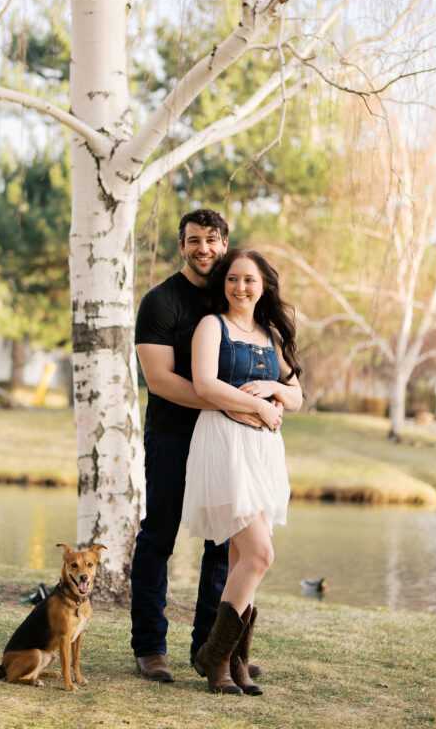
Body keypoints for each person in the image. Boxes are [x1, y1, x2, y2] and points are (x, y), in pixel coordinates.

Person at [131, 208, 264, 683]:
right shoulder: (160, 302)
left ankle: (213, 648)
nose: (203, 248)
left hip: (227, 441)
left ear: (225, 243)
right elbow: (159, 380)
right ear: (181, 245)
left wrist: (273, 398)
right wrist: (222, 405)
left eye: (212, 239)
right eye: (193, 240)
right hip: (172, 434)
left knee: (223, 541)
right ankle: (150, 648)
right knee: (158, 536)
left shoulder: (237, 293)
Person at [181, 247, 304, 696]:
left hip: (262, 451)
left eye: (249, 280)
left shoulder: (271, 334)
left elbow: (297, 397)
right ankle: (214, 654)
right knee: (260, 555)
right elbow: (204, 385)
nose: (240, 287)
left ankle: (234, 661)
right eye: (232, 279)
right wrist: (257, 404)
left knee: (240, 560)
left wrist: (274, 387)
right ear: (224, 284)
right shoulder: (211, 326)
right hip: (224, 444)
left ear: (263, 285)